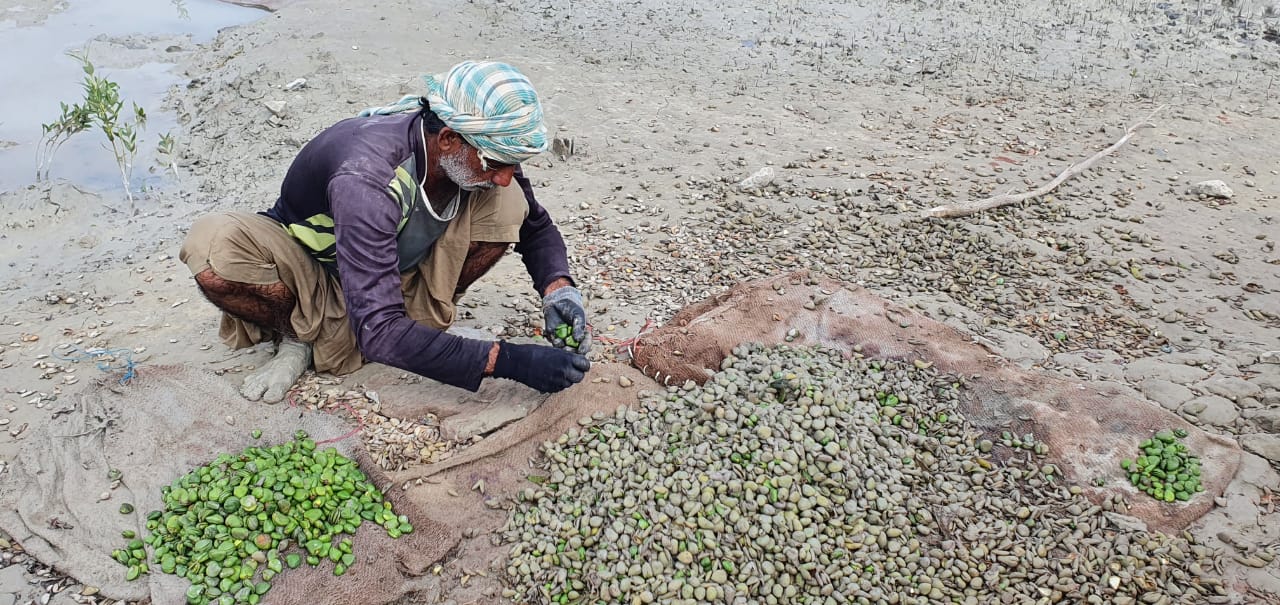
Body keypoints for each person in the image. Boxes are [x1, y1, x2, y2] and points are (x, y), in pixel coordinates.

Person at [179, 60, 591, 403]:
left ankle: (418, 325)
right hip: (314, 269)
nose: (504, 176)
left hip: (392, 272)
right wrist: (509, 361)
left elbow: (535, 224)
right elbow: (378, 336)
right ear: (448, 139)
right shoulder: (367, 177)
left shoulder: (484, 150)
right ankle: (298, 337)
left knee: (510, 204)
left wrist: (560, 290)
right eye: (496, 163)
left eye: (512, 163)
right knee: (213, 247)